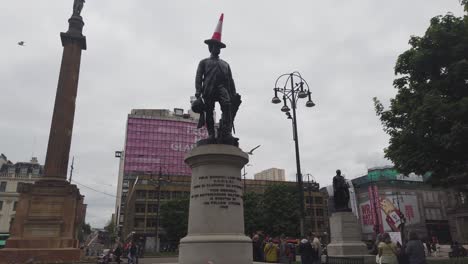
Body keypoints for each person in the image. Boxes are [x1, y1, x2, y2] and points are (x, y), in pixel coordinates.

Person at [193, 14, 241, 145]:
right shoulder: (204, 62)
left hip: (222, 89)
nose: (218, 49)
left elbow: (230, 80)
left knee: (227, 106)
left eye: (219, 47)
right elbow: (198, 77)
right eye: (216, 46)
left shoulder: (225, 64)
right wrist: (198, 93)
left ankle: (226, 132)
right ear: (210, 47)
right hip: (208, 89)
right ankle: (211, 135)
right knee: (209, 111)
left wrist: (233, 93)